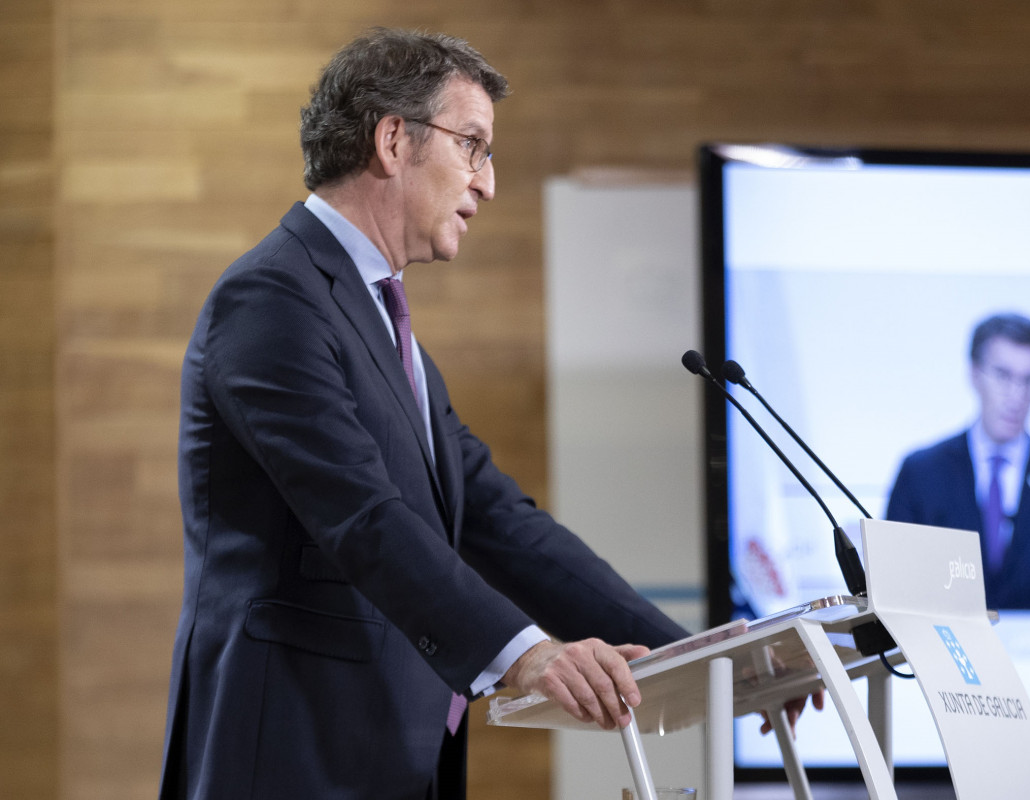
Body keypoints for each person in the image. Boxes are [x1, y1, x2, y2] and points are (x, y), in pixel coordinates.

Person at [157, 29, 696, 799]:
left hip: (389, 755)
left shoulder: (386, 327)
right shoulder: (271, 298)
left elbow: (495, 519)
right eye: (472, 145)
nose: (488, 182)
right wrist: (527, 654)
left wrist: (694, 655)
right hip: (291, 750)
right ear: (392, 141)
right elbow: (361, 516)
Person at [885, 312, 1030, 654]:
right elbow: (894, 590)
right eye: (1003, 376)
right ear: (975, 374)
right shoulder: (921, 473)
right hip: (940, 670)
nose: (1016, 394)